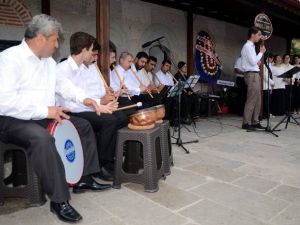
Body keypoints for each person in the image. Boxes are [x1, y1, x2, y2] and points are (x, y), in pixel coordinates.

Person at [0, 14, 111, 223]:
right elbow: (5, 102)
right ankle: (59, 200)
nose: (57, 44)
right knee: (42, 139)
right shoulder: (9, 59)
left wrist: (86, 99)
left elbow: (64, 86)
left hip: (41, 115)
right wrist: (46, 111)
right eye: (55, 40)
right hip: (11, 119)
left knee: (83, 125)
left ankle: (84, 178)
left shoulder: (49, 62)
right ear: (41, 38)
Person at [56, 33, 120, 182]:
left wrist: (97, 103)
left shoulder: (80, 69)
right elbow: (71, 100)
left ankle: (106, 160)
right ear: (84, 50)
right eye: (93, 51)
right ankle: (101, 164)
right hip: (72, 112)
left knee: (114, 117)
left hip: (84, 107)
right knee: (109, 120)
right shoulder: (62, 68)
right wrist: (97, 104)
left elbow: (81, 94)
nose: (94, 56)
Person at [240, 26, 266, 130]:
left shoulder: (251, 47)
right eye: (259, 34)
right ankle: (246, 122)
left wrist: (257, 59)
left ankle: (255, 121)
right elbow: (253, 62)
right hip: (251, 74)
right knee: (252, 98)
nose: (260, 37)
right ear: (252, 34)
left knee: (258, 99)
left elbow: (255, 61)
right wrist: (261, 53)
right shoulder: (247, 46)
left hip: (255, 73)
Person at [262, 53, 275, 118]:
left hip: (268, 85)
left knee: (268, 101)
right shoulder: (264, 65)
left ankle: (267, 113)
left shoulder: (267, 65)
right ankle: (266, 114)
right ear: (268, 58)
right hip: (265, 86)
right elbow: (265, 76)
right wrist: (272, 82)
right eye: (271, 58)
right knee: (266, 101)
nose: (272, 60)